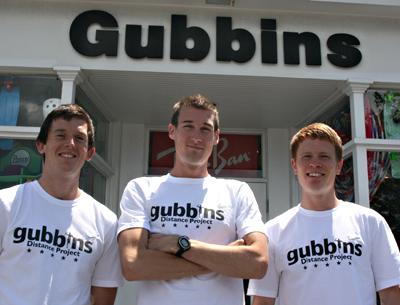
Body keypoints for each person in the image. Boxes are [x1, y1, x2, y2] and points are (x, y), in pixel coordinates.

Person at [118, 94, 268, 305]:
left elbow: (258, 264)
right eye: (188, 126)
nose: (196, 136)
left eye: (205, 129)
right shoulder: (141, 189)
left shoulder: (237, 191)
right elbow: (133, 265)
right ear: (172, 131)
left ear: (216, 137)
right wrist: (224, 259)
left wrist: (179, 245)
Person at [248, 122, 400, 305]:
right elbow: (263, 300)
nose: (315, 163)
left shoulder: (370, 222)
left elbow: (391, 293)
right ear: (294, 166)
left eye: (324, 156)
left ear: (339, 166)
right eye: (307, 157)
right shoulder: (273, 231)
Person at [0, 104, 122, 305]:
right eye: (60, 135)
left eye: (79, 138)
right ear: (41, 145)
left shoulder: (106, 222)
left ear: (90, 152)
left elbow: (103, 300)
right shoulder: (6, 204)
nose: (70, 144)